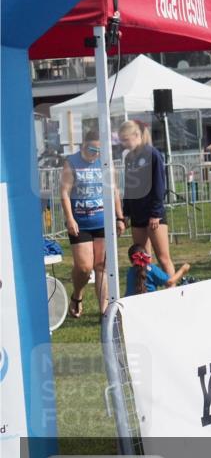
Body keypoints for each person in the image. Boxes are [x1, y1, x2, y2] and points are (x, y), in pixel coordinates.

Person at [60, 129, 125, 317]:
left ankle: (104, 311)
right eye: (93, 150)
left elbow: (114, 191)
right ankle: (77, 294)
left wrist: (119, 217)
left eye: (99, 151)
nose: (96, 154)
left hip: (102, 221)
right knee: (84, 267)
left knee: (101, 266)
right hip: (80, 222)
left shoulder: (105, 162)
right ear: (83, 146)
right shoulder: (71, 162)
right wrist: (70, 218)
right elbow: (64, 192)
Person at [119, 120, 177, 278]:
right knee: (142, 258)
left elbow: (159, 184)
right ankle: (146, 290)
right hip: (137, 214)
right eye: (121, 140)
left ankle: (171, 291)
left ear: (137, 135)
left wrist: (156, 213)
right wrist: (126, 212)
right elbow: (129, 187)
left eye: (126, 139)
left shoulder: (152, 154)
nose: (123, 144)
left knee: (163, 258)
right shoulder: (129, 158)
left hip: (153, 214)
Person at [125, 245, 189, 296]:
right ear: (145, 255)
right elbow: (170, 282)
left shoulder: (129, 272)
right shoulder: (151, 268)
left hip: (130, 306)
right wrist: (183, 270)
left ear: (130, 260)